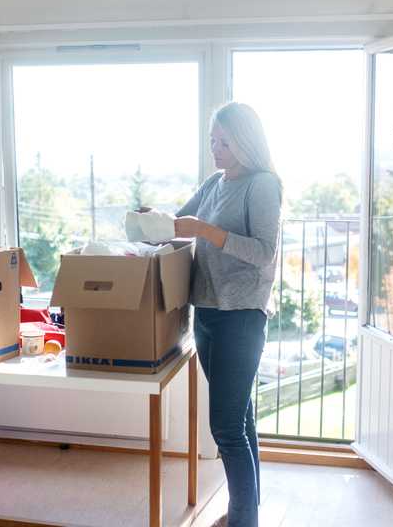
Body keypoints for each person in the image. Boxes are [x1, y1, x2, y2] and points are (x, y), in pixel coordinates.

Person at [175, 102, 282, 527]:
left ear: (245, 141)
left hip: (242, 315)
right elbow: (182, 222)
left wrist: (207, 232)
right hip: (207, 311)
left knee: (225, 427)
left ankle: (242, 521)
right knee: (240, 418)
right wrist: (155, 223)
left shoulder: (263, 185)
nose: (215, 150)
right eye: (212, 141)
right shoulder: (214, 183)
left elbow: (263, 253)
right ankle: (246, 513)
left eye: (223, 142)